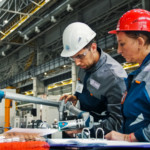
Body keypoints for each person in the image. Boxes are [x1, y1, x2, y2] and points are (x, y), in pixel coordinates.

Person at [60, 22, 127, 137]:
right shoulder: (84, 64)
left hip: (103, 137)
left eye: (80, 56)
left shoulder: (114, 78)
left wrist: (85, 130)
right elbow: (83, 85)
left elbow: (117, 122)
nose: (77, 62)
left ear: (93, 47)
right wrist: (76, 96)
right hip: (86, 128)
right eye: (73, 58)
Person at [105, 9, 150, 142]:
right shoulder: (140, 75)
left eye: (122, 43)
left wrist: (127, 138)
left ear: (140, 42)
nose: (118, 50)